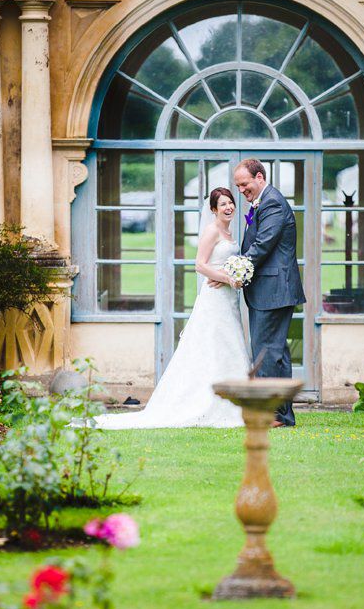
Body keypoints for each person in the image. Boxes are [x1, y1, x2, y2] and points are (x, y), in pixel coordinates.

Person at [90, 187, 250, 428]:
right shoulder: (212, 231)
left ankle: (237, 404)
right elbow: (199, 265)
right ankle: (207, 402)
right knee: (212, 344)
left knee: (229, 344)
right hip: (215, 297)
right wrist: (228, 278)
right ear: (214, 209)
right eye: (223, 204)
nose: (228, 208)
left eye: (231, 203)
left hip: (229, 298)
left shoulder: (229, 232)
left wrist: (234, 274)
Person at [233, 158, 306, 427]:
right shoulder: (262, 201)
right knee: (277, 354)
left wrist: (236, 270)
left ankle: (271, 415)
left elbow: (263, 244)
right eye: (238, 186)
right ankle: (282, 415)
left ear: (260, 177)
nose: (241, 190)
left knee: (266, 353)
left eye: (245, 184)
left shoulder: (272, 202)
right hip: (271, 289)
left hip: (273, 289)